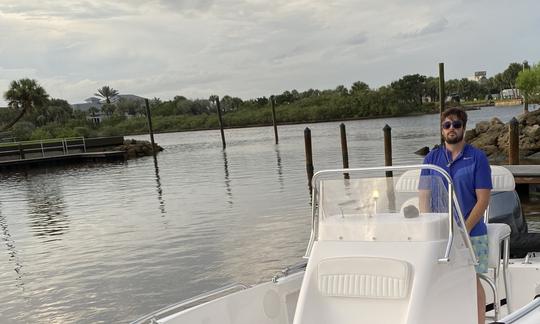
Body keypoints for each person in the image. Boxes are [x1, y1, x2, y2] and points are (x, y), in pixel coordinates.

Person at [419, 107, 492, 324]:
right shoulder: (431, 158)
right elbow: (424, 197)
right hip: (441, 234)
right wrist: (429, 227)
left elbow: (483, 200)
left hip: (472, 232)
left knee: (472, 280)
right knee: (439, 281)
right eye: (447, 125)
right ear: (442, 130)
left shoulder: (477, 158)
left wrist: (464, 230)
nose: (452, 129)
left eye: (456, 125)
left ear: (464, 128)